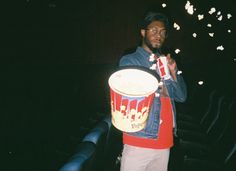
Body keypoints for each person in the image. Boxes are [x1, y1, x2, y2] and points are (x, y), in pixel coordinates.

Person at [119, 11, 187, 171]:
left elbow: (182, 97)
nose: (159, 36)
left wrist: (173, 71)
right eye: (154, 31)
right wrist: (158, 74)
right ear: (143, 32)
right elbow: (132, 94)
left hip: (165, 140)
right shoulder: (130, 60)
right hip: (140, 139)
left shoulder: (165, 62)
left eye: (163, 32)